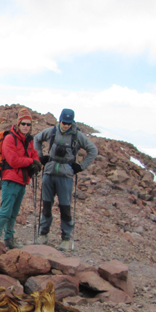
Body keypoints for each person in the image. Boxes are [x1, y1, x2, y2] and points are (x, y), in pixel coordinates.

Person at [34, 108, 98, 251]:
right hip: (49, 173)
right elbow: (37, 139)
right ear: (60, 120)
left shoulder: (77, 136)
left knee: (65, 207)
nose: (66, 126)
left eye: (69, 123)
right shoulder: (51, 132)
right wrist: (40, 156)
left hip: (66, 176)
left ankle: (66, 238)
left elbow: (93, 150)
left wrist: (81, 167)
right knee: (46, 205)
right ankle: (43, 234)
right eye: (64, 122)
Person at [0, 107, 42, 249]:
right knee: (6, 210)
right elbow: (13, 161)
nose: (26, 127)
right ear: (18, 124)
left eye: (28, 124)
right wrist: (32, 162)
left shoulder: (29, 140)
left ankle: (9, 239)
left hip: (22, 181)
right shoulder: (9, 138)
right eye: (23, 124)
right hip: (11, 180)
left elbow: (34, 154)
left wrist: (36, 161)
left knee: (13, 212)